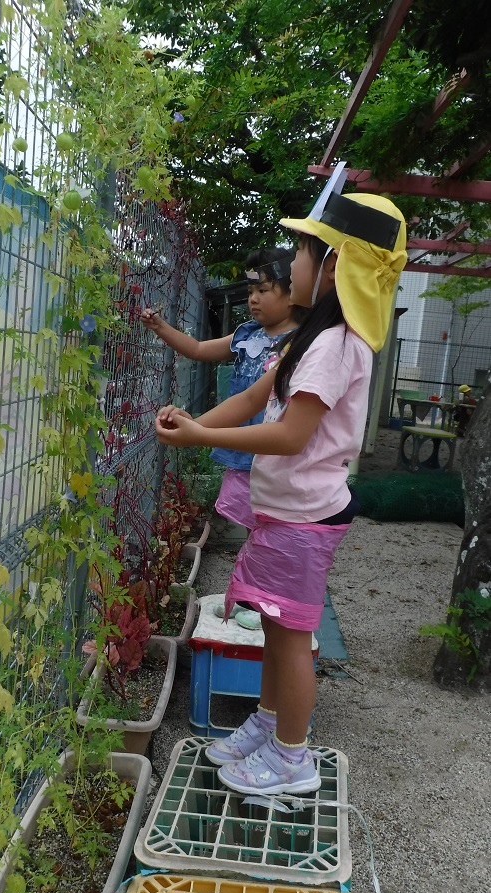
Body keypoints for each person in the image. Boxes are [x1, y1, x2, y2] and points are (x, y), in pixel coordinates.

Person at [155, 190, 407, 794]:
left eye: (299, 251)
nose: (288, 265)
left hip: (303, 519)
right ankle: (268, 724)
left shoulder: (332, 345)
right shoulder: (308, 338)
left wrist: (196, 440)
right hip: (286, 514)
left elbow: (292, 435)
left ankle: (291, 757)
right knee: (273, 626)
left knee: (293, 637)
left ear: (332, 268)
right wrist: (198, 424)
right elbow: (250, 399)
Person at [141, 248, 303, 532]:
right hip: (241, 444)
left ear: (292, 294)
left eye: (263, 290)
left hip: (277, 450)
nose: (253, 298)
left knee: (280, 521)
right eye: (251, 290)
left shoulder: (303, 341)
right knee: (251, 523)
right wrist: (161, 327)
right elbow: (198, 348)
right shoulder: (247, 334)